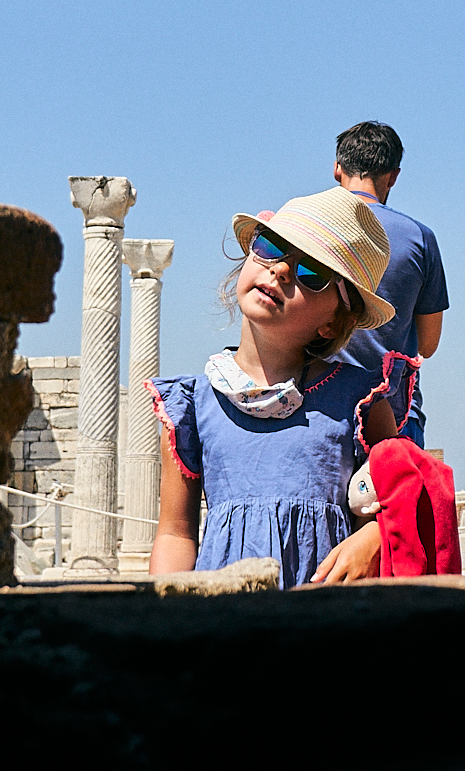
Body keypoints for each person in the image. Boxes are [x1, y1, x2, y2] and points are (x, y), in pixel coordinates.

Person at [145, 188, 403, 588]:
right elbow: (175, 533)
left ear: (333, 321)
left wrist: (373, 537)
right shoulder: (190, 406)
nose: (281, 270)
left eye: (311, 272)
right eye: (271, 247)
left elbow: (392, 508)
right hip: (222, 621)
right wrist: (164, 619)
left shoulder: (361, 402)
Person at [330, 121, 449, 448]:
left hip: (316, 408)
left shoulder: (305, 226)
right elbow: (428, 344)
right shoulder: (420, 238)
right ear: (393, 175)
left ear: (337, 168)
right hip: (395, 411)